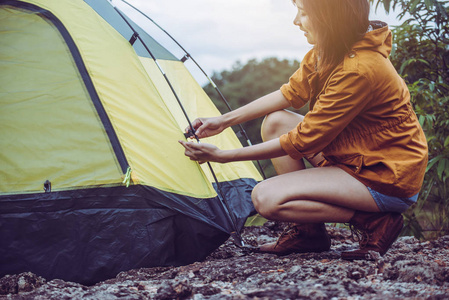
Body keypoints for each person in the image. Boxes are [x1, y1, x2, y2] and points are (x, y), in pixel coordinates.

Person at [179, 0, 428, 259]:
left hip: (385, 176)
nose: (296, 22)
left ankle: (374, 221)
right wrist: (223, 120)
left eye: (305, 14)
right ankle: (308, 232)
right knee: (276, 121)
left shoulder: (360, 70)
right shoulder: (328, 51)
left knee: (265, 197)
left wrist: (222, 155)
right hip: (357, 156)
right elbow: (290, 93)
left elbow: (302, 140)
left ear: (331, 19)